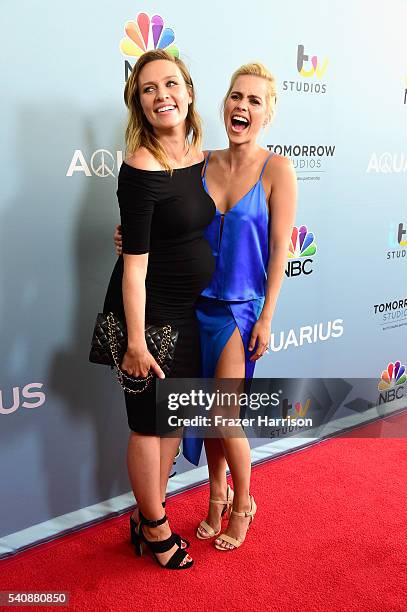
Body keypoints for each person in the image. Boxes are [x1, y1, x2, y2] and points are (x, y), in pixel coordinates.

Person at [114, 62, 297, 552]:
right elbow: (168, 216)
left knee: (223, 413)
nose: (242, 106)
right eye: (237, 96)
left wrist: (267, 315)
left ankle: (243, 504)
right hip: (194, 306)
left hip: (240, 311)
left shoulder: (278, 169)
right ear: (222, 103)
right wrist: (132, 237)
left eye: (254, 101)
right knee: (201, 411)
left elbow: (281, 251)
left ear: (268, 114)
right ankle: (216, 496)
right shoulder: (202, 160)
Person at [103, 49, 216, 569]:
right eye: (148, 89)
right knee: (149, 426)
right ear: (139, 105)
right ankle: (154, 527)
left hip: (189, 312)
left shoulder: (199, 156)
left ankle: (147, 510)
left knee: (171, 420)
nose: (162, 95)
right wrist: (134, 340)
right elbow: (134, 267)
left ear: (189, 92)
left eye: (171, 84)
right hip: (148, 318)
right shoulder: (141, 166)